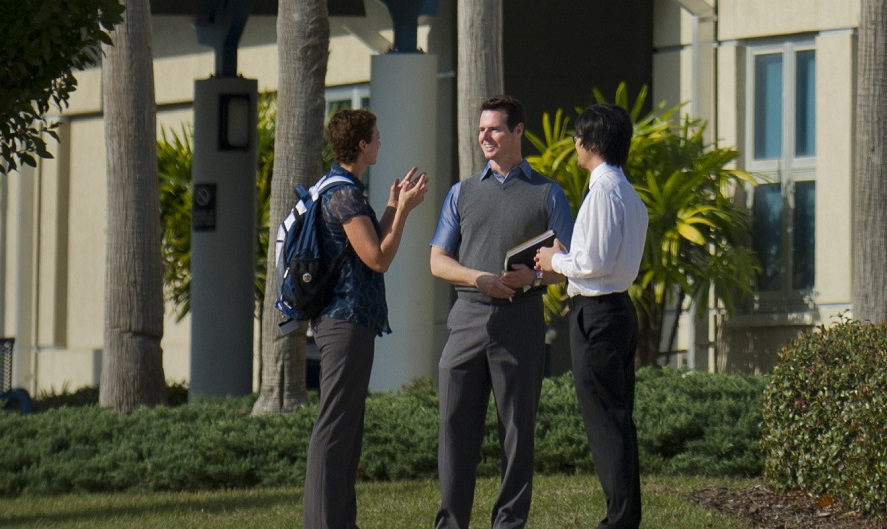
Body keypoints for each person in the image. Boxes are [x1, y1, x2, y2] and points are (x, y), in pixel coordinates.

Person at [429, 95, 574, 529]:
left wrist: (530, 279)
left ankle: (508, 524)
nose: (484, 137)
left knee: (516, 432)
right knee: (454, 429)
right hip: (467, 319)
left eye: (493, 129)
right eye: (480, 130)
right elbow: (438, 260)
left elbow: (567, 263)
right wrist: (479, 279)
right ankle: (451, 523)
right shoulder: (462, 192)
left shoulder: (548, 193)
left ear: (517, 132)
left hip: (521, 320)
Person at [303, 108, 428, 529]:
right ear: (362, 144)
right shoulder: (345, 195)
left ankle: (340, 521)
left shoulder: (340, 188)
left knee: (346, 428)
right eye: (376, 135)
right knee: (335, 427)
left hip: (345, 321)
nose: (380, 141)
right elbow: (377, 259)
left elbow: (368, 242)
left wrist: (392, 207)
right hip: (345, 320)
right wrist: (407, 212)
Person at [534, 103, 648, 529]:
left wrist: (555, 260)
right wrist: (571, 258)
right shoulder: (628, 192)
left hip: (596, 313)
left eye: (578, 138)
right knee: (618, 418)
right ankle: (625, 515)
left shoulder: (602, 191)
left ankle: (618, 520)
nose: (574, 145)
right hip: (617, 309)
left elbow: (594, 261)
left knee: (605, 421)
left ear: (592, 143)